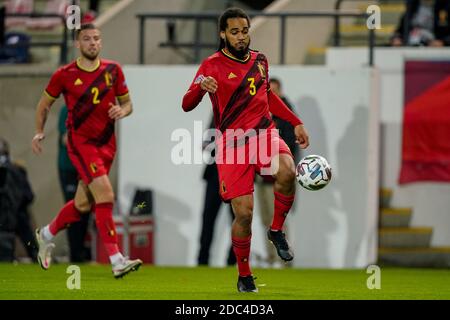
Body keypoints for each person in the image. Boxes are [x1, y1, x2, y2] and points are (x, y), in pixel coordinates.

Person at [182, 7, 309, 292]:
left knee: (288, 171)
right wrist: (202, 87)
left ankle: (276, 230)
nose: (241, 37)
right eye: (235, 32)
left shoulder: (260, 60)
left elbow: (268, 97)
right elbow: (186, 104)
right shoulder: (211, 65)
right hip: (231, 144)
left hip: (264, 134)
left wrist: (296, 121)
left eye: (245, 31)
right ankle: (244, 275)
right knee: (245, 214)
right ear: (223, 34)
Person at [31, 23, 142, 278]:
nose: (93, 43)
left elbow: (128, 104)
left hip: (107, 144)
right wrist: (39, 131)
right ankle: (116, 259)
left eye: (96, 39)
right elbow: (44, 104)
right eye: (87, 39)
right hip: (82, 144)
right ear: (78, 44)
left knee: (83, 204)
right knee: (105, 195)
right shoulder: (65, 74)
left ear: (100, 43)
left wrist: (121, 111)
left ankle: (45, 234)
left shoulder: (113, 70)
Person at [254, 78, 299, 268]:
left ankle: (285, 260)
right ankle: (271, 259)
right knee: (266, 220)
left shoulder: (287, 117)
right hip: (262, 178)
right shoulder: (260, 115)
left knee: (278, 221)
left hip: (277, 178)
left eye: (273, 91)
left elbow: (289, 148)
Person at [198, 117, 236, 267]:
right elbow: (207, 142)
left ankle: (233, 260)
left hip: (236, 175)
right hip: (215, 174)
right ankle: (202, 260)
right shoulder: (217, 111)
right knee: (208, 218)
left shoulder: (245, 111)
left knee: (240, 219)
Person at [57, 105, 91, 263]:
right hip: (70, 168)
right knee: (74, 208)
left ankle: (80, 251)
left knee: (85, 210)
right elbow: (65, 139)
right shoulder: (67, 110)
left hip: (86, 168)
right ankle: (75, 253)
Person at [0, 137, 37, 262]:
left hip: (13, 217)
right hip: (17, 216)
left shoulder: (17, 170)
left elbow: (29, 196)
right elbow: (29, 196)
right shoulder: (18, 170)